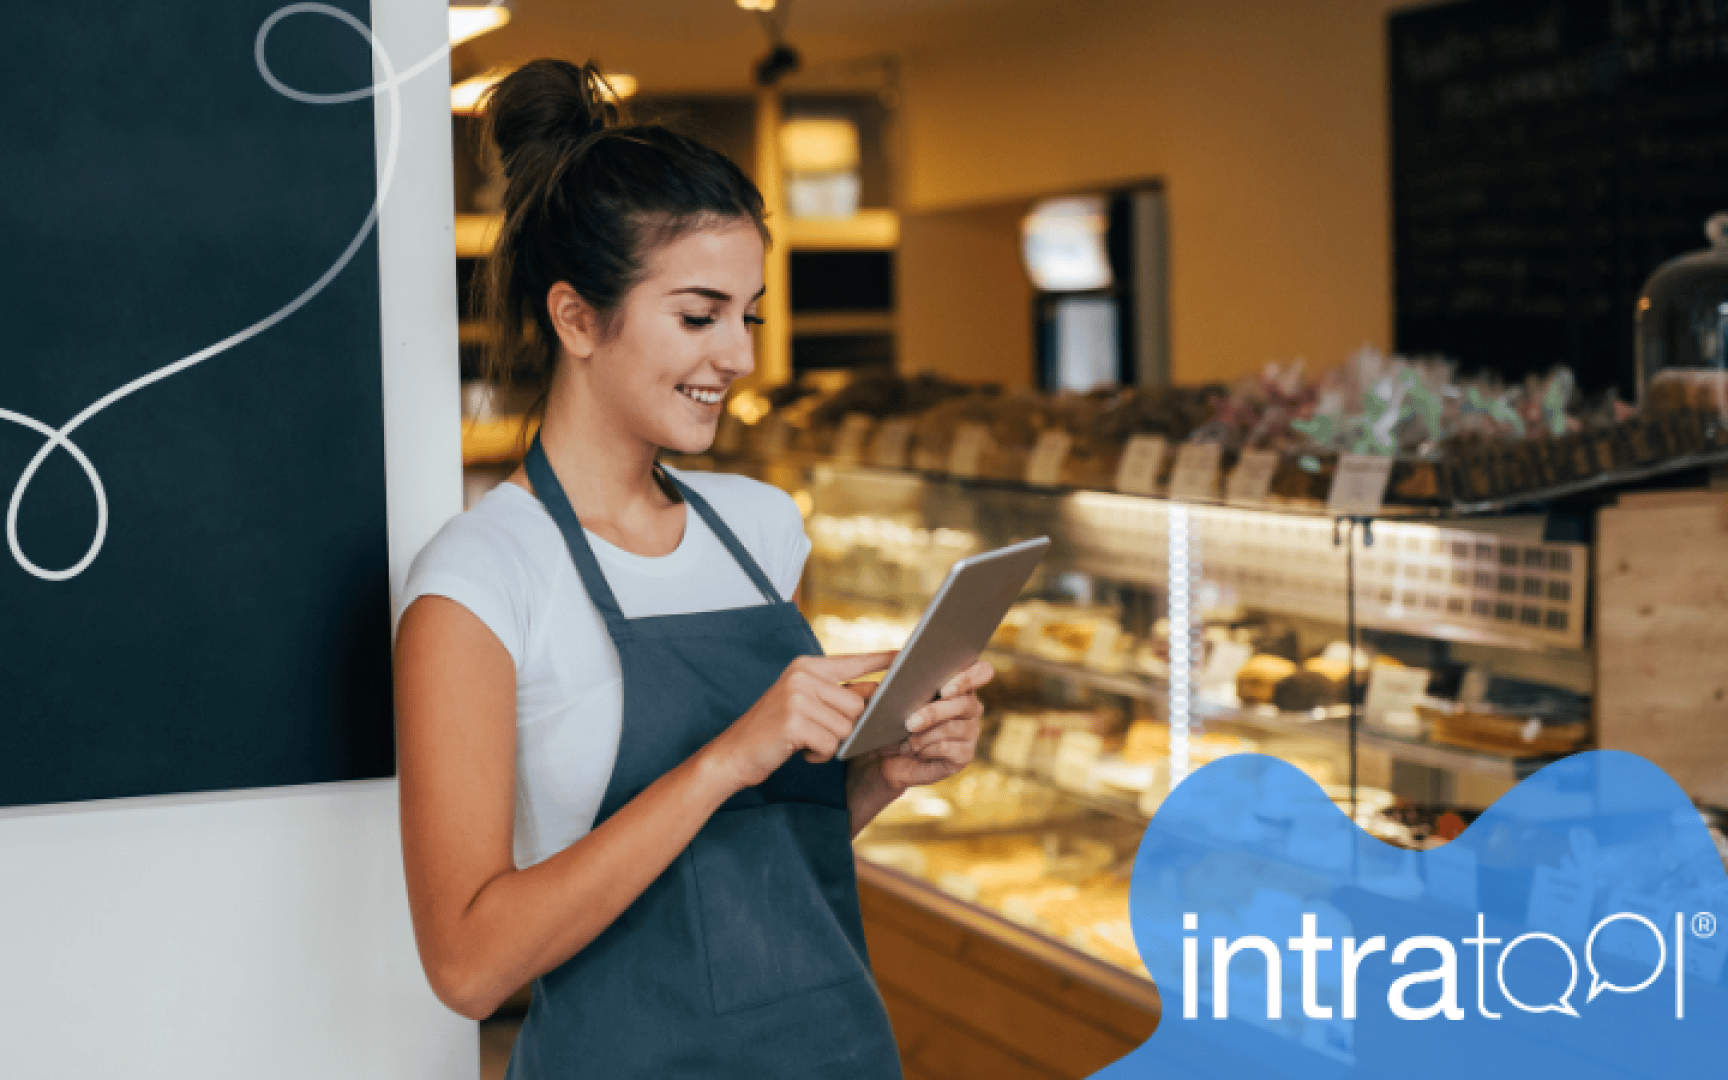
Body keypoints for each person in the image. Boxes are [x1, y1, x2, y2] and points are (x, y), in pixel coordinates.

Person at [392, 59, 992, 1078]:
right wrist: (728, 755)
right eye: (699, 314)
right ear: (578, 318)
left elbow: (751, 866)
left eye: (748, 315)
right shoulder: (481, 581)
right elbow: (468, 966)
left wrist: (881, 772)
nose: (742, 355)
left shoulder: (760, 530)